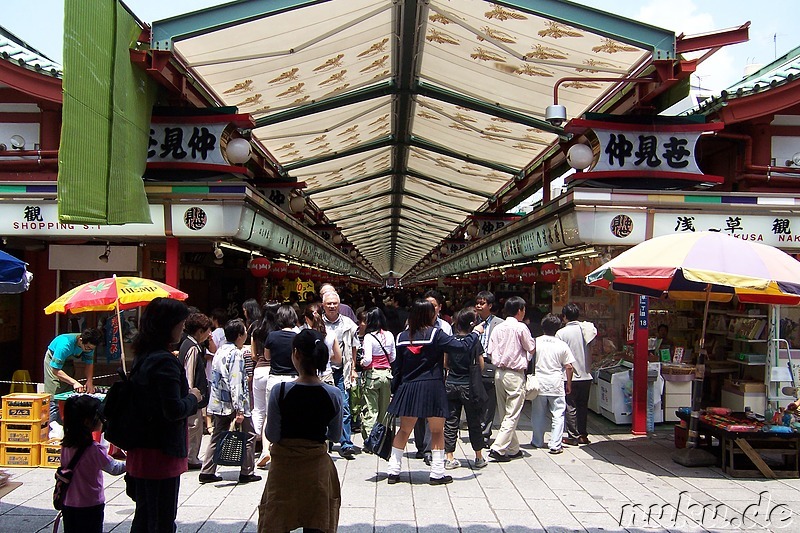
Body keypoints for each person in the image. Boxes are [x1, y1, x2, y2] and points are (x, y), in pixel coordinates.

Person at [126, 298, 202, 532]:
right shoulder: (165, 362)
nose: (182, 328)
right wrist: (193, 397)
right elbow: (173, 410)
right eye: (180, 323)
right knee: (161, 517)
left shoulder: (143, 356)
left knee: (145, 515)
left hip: (142, 445)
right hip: (161, 451)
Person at [386, 299, 480, 485]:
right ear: (431, 314)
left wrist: (395, 391)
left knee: (404, 430)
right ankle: (437, 473)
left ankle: (393, 471)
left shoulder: (402, 337)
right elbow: (461, 347)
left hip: (408, 387)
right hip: (432, 386)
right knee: (437, 431)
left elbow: (397, 368)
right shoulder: (436, 334)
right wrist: (475, 333)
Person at [257, 329, 343, 533]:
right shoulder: (334, 394)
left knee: (277, 520)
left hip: (284, 468)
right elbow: (335, 435)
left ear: (295, 353)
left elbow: (273, 435)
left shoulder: (280, 391)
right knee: (316, 521)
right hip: (316, 469)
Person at [200, 319, 261, 484]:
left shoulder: (220, 350)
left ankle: (207, 470)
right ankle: (247, 471)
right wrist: (240, 408)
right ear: (240, 335)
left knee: (217, 435)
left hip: (219, 402)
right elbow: (236, 382)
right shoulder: (236, 353)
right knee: (249, 435)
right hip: (234, 403)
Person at [59, 395, 126, 533]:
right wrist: (132, 462)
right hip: (90, 504)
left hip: (68, 503)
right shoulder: (94, 449)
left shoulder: (66, 446)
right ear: (88, 422)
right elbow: (114, 468)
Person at [487, 296, 535, 462]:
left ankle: (513, 449)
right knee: (512, 413)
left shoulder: (498, 328)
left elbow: (490, 350)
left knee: (504, 412)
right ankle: (498, 448)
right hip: (515, 373)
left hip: (499, 372)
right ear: (520, 310)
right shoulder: (520, 328)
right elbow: (531, 347)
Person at [444, 308, 488, 470]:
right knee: (474, 421)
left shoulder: (450, 340)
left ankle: (449, 457)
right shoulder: (474, 342)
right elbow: (481, 364)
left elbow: (445, 363)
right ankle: (478, 456)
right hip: (469, 385)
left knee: (451, 421)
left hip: (451, 383)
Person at [257, 305, 300, 468]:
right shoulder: (298, 337)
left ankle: (265, 451)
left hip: (274, 379)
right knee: (292, 416)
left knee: (270, 415)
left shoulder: (272, 336)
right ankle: (290, 449)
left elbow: (267, 356)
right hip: (293, 379)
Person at [321, 291, 360, 460]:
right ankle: (325, 440)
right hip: (321, 371)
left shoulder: (348, 324)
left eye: (334, 303)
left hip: (341, 370)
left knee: (344, 405)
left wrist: (352, 368)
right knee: (322, 407)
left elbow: (354, 347)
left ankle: (346, 443)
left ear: (339, 305)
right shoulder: (317, 323)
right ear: (323, 305)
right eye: (328, 303)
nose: (331, 306)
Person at [531, 315, 576, 455]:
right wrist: (568, 383)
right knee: (558, 414)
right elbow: (569, 366)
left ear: (542, 327)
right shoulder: (561, 344)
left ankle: (537, 441)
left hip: (539, 382)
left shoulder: (536, 342)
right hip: (556, 383)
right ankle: (555, 444)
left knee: (538, 413)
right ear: (558, 328)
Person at [556, 303, 595, 446]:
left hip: (569, 375)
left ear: (564, 316)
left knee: (570, 405)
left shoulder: (561, 333)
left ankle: (573, 435)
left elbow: (559, 355)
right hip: (586, 374)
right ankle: (583, 435)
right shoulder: (587, 330)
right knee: (583, 406)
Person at [44, 329, 102, 423]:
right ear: (80, 340)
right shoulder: (64, 345)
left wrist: (89, 381)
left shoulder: (89, 345)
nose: (89, 350)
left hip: (68, 362)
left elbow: (89, 364)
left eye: (91, 349)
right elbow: (55, 370)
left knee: (68, 394)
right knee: (55, 395)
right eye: (87, 348)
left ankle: (65, 425)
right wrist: (74, 382)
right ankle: (52, 427)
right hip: (53, 362)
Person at [179, 312, 212, 469]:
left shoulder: (189, 344)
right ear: (199, 331)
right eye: (207, 331)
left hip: (192, 396)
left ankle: (191, 456)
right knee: (193, 426)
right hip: (192, 396)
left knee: (195, 427)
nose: (209, 334)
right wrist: (191, 394)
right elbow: (189, 372)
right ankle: (190, 457)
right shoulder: (192, 348)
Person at [251, 301, 281, 466]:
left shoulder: (256, 330)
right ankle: (268, 445)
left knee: (259, 409)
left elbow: (254, 355)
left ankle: (255, 439)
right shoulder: (279, 331)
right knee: (272, 412)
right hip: (273, 371)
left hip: (259, 370)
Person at [360, 307, 395, 440]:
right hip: (386, 375)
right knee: (384, 410)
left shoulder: (369, 337)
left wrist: (362, 362)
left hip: (372, 375)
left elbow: (368, 359)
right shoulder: (390, 335)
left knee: (371, 409)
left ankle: (370, 440)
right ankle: (382, 438)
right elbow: (393, 357)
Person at [474, 291, 503, 448]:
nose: (478, 305)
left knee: (489, 401)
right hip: (473, 364)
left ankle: (485, 434)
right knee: (475, 399)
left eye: (482, 303)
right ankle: (476, 430)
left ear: (490, 306)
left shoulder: (500, 324)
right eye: (477, 303)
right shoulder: (471, 320)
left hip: (490, 363)